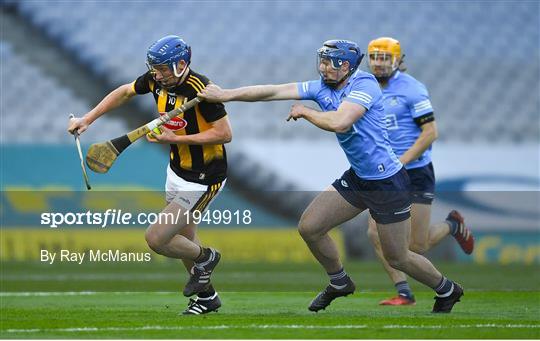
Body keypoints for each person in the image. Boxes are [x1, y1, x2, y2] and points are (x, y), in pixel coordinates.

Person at [199, 39, 464, 313]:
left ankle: (447, 289)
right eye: (322, 61)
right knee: (310, 227)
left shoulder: (365, 85)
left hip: (387, 183)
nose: (323, 67)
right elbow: (273, 91)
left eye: (329, 63)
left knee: (398, 257)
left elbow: (340, 121)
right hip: (359, 178)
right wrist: (226, 94)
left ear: (346, 66)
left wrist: (306, 112)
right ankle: (339, 281)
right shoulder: (321, 86)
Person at [68, 35, 232, 315]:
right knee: (184, 238)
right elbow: (124, 92)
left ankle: (208, 257)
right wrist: (88, 118)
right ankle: (207, 298)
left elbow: (224, 134)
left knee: (158, 238)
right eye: (154, 68)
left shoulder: (202, 90)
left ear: (181, 64)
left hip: (204, 177)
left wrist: (175, 138)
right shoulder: (157, 79)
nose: (157, 74)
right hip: (177, 171)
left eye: (163, 69)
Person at [365, 37, 475, 306]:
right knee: (374, 233)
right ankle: (404, 291)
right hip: (386, 173)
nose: (378, 64)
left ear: (398, 60)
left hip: (414, 171)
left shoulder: (412, 89)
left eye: (384, 58)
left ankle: (452, 225)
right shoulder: (366, 86)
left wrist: (401, 162)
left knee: (416, 246)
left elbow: (430, 133)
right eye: (374, 58)